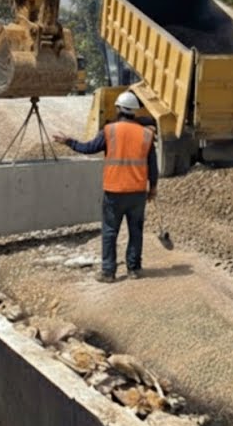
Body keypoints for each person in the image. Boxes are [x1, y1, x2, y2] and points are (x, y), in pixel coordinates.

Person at [53, 90, 158, 282]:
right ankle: (134, 269)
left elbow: (88, 148)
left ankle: (108, 272)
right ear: (134, 112)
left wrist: (69, 141)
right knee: (136, 231)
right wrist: (152, 189)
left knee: (110, 231)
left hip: (114, 191)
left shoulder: (109, 131)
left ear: (119, 109)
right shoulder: (146, 134)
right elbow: (153, 166)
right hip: (137, 193)